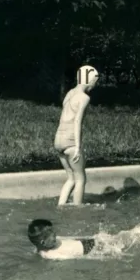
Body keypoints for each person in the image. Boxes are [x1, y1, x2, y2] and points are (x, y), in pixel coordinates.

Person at [54, 65, 99, 206]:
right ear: (89, 80)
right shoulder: (84, 97)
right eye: (94, 81)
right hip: (70, 141)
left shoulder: (69, 93)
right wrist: (78, 147)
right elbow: (77, 121)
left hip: (58, 140)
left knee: (70, 178)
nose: (95, 85)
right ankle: (78, 209)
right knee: (80, 179)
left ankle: (60, 206)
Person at [27, 219, 98, 260]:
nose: (55, 233)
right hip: (87, 251)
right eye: (51, 232)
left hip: (86, 243)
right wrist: (95, 256)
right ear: (43, 242)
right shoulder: (48, 255)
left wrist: (91, 237)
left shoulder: (50, 241)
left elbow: (71, 238)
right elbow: (70, 258)